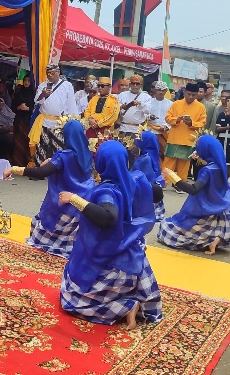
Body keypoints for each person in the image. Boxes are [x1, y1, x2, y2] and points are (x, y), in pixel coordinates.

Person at [58, 141, 162, 330]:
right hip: (131, 259)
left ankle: (125, 307)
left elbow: (108, 218)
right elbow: (157, 192)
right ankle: (129, 298)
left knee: (70, 298)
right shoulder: (133, 181)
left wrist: (74, 199)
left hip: (109, 262)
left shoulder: (108, 190)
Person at [4, 120, 93, 257]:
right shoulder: (87, 154)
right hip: (82, 203)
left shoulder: (64, 156)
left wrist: (14, 169)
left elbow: (41, 173)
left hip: (63, 205)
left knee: (39, 227)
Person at [159, 135, 230, 256]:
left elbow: (194, 189)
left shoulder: (207, 170)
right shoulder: (220, 167)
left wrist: (173, 176)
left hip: (202, 211)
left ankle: (207, 239)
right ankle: (215, 238)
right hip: (218, 210)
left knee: (165, 228)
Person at [163, 83, 206, 187]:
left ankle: (180, 185)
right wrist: (176, 120)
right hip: (174, 137)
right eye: (189, 94)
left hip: (189, 139)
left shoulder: (201, 107)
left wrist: (191, 123)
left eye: (194, 95)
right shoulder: (176, 104)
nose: (191, 97)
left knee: (184, 163)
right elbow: (167, 118)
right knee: (169, 161)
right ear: (184, 92)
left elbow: (202, 123)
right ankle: (163, 182)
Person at [29, 65, 78, 148]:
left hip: (59, 124)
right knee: (42, 148)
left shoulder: (67, 85)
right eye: (47, 73)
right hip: (44, 122)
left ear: (58, 72)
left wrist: (73, 121)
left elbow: (71, 105)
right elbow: (36, 100)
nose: (49, 76)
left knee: (57, 148)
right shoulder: (43, 85)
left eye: (52, 73)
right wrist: (43, 94)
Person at [134, 131, 166, 228]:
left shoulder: (144, 158)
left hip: (148, 190)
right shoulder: (153, 153)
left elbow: (139, 177)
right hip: (155, 189)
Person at [11, 76, 35, 166]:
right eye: (25, 80)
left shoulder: (34, 94)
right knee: (18, 142)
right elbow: (13, 106)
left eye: (29, 81)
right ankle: (18, 163)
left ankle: (28, 164)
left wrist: (28, 108)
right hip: (19, 120)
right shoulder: (19, 93)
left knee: (27, 141)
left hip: (29, 121)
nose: (26, 83)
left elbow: (37, 108)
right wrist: (18, 107)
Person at [148, 81, 172, 160]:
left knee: (163, 154)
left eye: (163, 90)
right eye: (159, 90)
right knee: (151, 153)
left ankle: (162, 171)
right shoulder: (149, 102)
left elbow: (172, 117)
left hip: (164, 133)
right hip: (151, 131)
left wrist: (166, 126)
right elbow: (143, 115)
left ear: (166, 91)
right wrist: (149, 117)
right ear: (155, 90)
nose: (161, 92)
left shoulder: (170, 104)